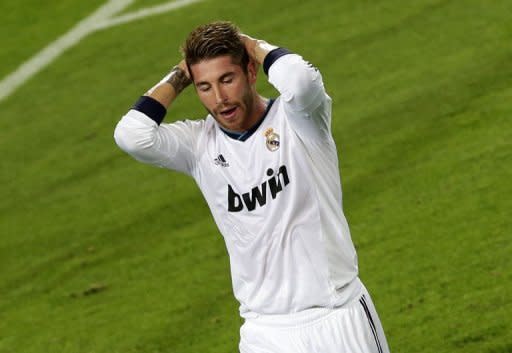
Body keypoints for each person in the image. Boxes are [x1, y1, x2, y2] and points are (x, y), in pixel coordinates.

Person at [114, 21, 390, 353]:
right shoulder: (198, 145)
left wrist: (253, 45)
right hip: (265, 330)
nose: (219, 99)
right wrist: (180, 75)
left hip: (336, 316)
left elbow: (299, 80)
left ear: (251, 72)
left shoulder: (299, 119)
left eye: (226, 80)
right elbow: (131, 135)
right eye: (204, 86)